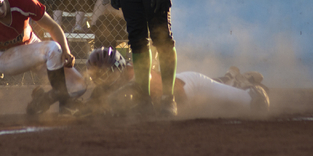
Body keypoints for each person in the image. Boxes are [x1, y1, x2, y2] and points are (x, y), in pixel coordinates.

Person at [83, 47, 269, 118]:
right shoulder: (103, 90)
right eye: (98, 75)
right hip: (183, 93)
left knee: (254, 102)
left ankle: (239, 82)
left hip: (191, 87)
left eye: (105, 74)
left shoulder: (137, 75)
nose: (101, 79)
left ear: (119, 68)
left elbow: (174, 94)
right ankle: (230, 77)